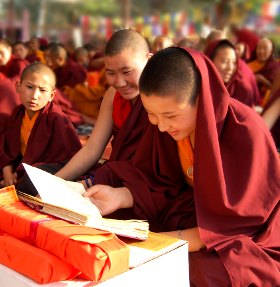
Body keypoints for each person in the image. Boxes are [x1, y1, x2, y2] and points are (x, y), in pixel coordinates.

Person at [84, 47, 280, 286]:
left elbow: (238, 223)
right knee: (115, 217)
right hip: (190, 211)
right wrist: (121, 196)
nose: (162, 126)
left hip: (241, 231)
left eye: (171, 116)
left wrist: (160, 243)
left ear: (201, 99)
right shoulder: (163, 126)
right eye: (150, 114)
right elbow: (157, 180)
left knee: (211, 271)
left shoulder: (246, 132)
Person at [55, 29, 150, 183]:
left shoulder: (161, 97)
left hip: (145, 183)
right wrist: (54, 183)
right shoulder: (113, 95)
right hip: (117, 172)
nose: (119, 82)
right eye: (111, 73)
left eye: (127, 71)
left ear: (148, 60)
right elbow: (93, 148)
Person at [0, 62, 82, 193]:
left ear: (51, 96)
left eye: (42, 90)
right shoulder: (17, 114)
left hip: (48, 168)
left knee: (30, 180)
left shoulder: (56, 118)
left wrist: (19, 172)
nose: (34, 96)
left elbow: (67, 158)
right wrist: (7, 171)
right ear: (18, 87)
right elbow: (8, 150)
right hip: (23, 165)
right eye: (29, 87)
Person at [204, 39, 260, 107]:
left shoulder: (242, 90)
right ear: (210, 61)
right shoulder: (199, 84)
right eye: (224, 61)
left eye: (234, 62)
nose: (230, 68)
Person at [248, 37, 280, 105]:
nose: (261, 51)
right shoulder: (249, 63)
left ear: (271, 51)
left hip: (262, 103)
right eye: (259, 48)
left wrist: (263, 80)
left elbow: (276, 90)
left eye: (265, 48)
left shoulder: (275, 67)